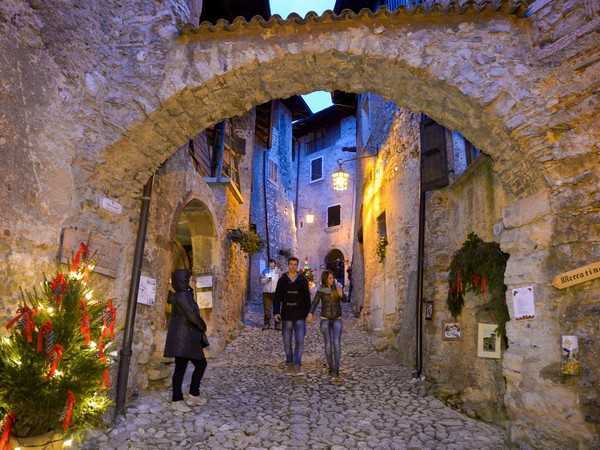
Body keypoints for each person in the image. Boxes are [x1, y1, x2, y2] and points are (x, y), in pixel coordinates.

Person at [164, 269, 209, 409]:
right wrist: (202, 325)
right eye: (188, 279)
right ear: (183, 280)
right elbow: (191, 315)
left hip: (186, 338)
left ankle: (192, 395)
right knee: (192, 366)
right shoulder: (182, 295)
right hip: (185, 338)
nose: (190, 280)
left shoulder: (183, 294)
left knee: (185, 367)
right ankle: (178, 400)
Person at [273, 256, 311, 375]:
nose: (293, 266)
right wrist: (276, 312)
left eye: (295, 264)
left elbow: (307, 298)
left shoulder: (302, 279)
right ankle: (289, 360)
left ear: (297, 265)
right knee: (287, 340)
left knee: (300, 340)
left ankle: (297, 362)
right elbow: (277, 297)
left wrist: (308, 313)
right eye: (291, 264)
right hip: (287, 314)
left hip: (299, 315)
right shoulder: (282, 280)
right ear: (288, 265)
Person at [308, 270, 343, 377]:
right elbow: (315, 302)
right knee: (328, 343)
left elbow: (345, 299)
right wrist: (310, 313)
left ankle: (336, 369)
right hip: (325, 319)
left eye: (333, 278)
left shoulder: (337, 288)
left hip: (337, 318)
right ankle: (331, 367)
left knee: (336, 343)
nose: (332, 280)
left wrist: (341, 293)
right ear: (325, 279)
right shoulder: (322, 290)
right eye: (330, 278)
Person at [259, 259, 280, 330]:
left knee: (276, 309)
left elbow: (281, 281)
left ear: (275, 264)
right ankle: (267, 323)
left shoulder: (278, 272)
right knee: (267, 309)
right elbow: (261, 281)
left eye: (272, 263)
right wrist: (267, 279)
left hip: (276, 293)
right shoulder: (265, 271)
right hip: (266, 292)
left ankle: (277, 324)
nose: (271, 264)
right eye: (270, 263)